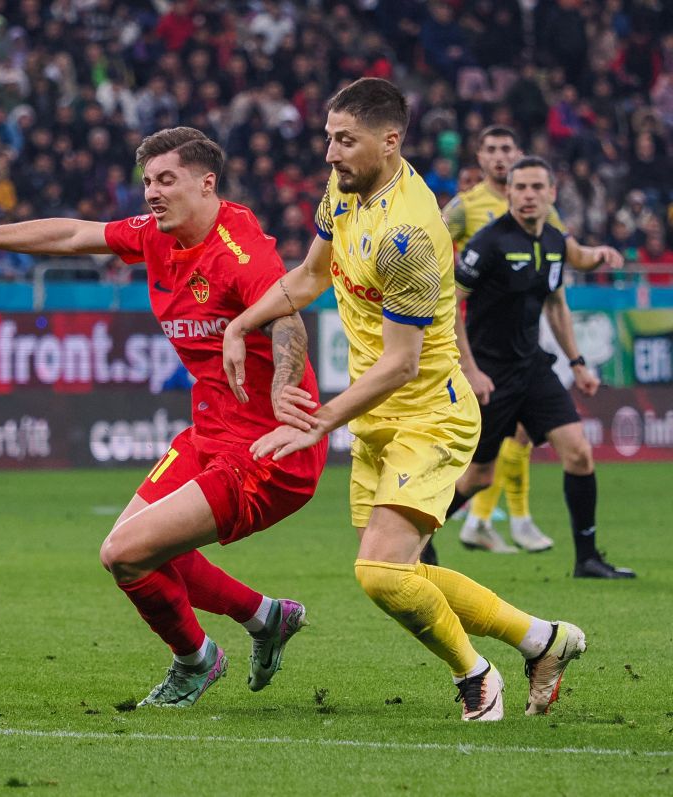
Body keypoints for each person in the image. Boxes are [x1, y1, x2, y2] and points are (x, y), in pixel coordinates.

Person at [0, 127, 327, 708]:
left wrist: (281, 387)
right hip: (210, 432)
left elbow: (287, 316)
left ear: (207, 183)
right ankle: (265, 617)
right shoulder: (155, 235)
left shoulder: (238, 250)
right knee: (134, 545)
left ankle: (196, 662)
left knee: (124, 553)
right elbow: (73, 233)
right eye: (147, 181)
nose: (152, 192)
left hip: (269, 450)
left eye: (166, 180)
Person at [222, 78, 583, 720]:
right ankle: (542, 640)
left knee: (380, 572)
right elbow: (308, 276)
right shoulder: (344, 187)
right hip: (377, 418)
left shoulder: (409, 234)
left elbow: (402, 362)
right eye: (329, 138)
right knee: (396, 574)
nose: (330, 153)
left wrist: (320, 421)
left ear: (390, 142)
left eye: (345, 140)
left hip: (429, 414)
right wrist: (241, 324)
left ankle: (477, 676)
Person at [438, 126, 623, 559]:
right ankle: (415, 538)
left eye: (537, 187)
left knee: (578, 452)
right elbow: (447, 301)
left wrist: (577, 362)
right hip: (490, 369)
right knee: (478, 476)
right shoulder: (483, 236)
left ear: (552, 193)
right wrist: (469, 368)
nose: (528, 194)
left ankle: (587, 558)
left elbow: (556, 301)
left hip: (532, 364)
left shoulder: (553, 238)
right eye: (521, 187)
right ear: (509, 192)